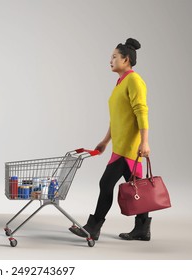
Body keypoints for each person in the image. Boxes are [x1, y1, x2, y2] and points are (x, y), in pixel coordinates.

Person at [69, 38, 151, 241]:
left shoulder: (134, 80)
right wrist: (105, 140)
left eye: (114, 57)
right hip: (119, 145)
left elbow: (142, 111)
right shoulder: (121, 82)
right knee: (135, 187)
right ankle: (141, 229)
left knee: (107, 184)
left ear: (126, 59)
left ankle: (93, 227)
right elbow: (119, 118)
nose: (110, 60)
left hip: (129, 148)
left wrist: (145, 142)